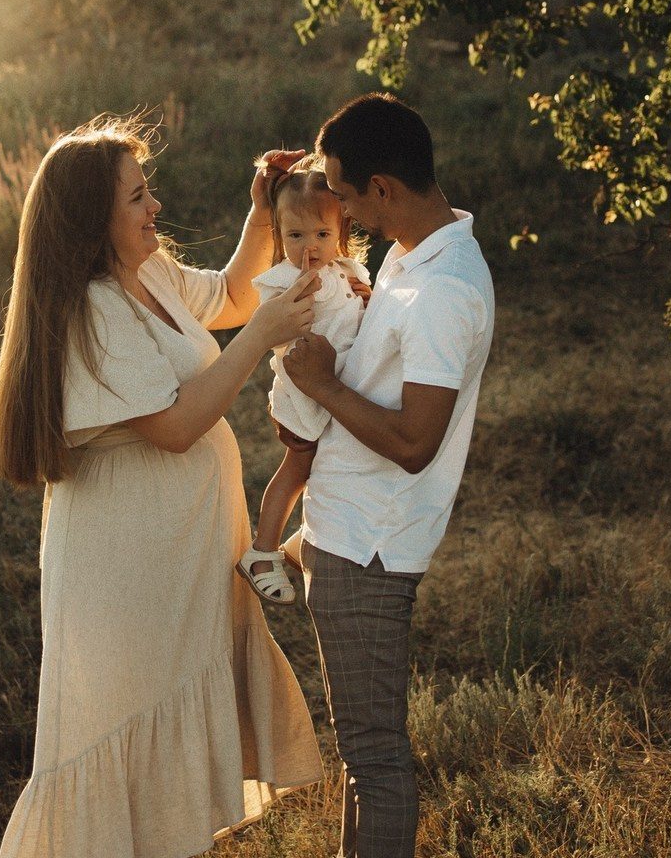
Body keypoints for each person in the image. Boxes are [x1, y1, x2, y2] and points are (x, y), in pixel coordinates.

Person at [0, 113, 324, 858]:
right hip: (127, 567)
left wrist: (262, 214)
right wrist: (261, 337)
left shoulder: (148, 272)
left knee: (169, 741)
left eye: (147, 189)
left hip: (178, 555)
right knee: (130, 725)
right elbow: (177, 424)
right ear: (94, 217)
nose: (155, 205)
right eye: (136, 196)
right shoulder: (92, 309)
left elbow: (230, 298)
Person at [282, 93, 496, 858]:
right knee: (361, 756)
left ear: (383, 187)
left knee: (373, 759)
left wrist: (321, 385)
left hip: (369, 547)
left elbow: (414, 442)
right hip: (346, 528)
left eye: (344, 194)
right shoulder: (414, 251)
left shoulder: (443, 289)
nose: (338, 211)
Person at [235, 165, 370, 606]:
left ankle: (306, 536)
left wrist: (365, 298)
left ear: (341, 230)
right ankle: (262, 552)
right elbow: (274, 328)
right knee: (298, 468)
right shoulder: (281, 282)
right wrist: (302, 291)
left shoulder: (346, 270)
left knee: (334, 465)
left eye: (321, 234)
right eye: (296, 236)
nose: (309, 247)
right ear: (279, 234)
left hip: (336, 393)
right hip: (302, 398)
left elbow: (355, 314)